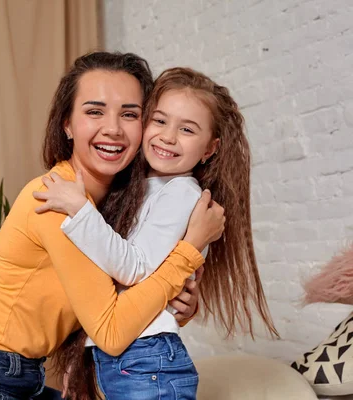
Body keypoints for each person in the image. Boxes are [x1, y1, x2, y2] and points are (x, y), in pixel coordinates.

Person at [0, 52, 225, 400]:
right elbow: (114, 331)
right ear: (67, 124)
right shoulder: (56, 202)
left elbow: (122, 298)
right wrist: (189, 250)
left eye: (129, 114)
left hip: (22, 381)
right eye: (94, 111)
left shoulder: (111, 215)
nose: (113, 128)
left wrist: (177, 307)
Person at [35, 67, 280, 399]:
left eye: (187, 129)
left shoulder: (181, 194)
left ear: (209, 149)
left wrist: (79, 209)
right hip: (128, 357)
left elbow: (135, 268)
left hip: (145, 360)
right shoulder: (145, 187)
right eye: (160, 121)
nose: (168, 136)